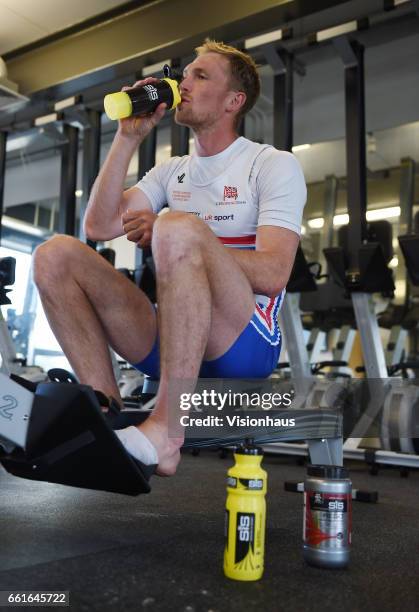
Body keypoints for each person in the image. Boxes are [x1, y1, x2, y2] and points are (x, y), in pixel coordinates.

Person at [33, 39, 306, 477]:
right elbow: (98, 227)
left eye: (201, 75)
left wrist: (177, 234)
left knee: (177, 225)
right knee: (55, 256)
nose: (184, 82)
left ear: (233, 101)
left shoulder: (271, 165)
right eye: (185, 74)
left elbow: (274, 274)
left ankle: (166, 433)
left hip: (243, 344)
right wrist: (128, 137)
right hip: (173, 339)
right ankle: (102, 411)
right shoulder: (171, 170)